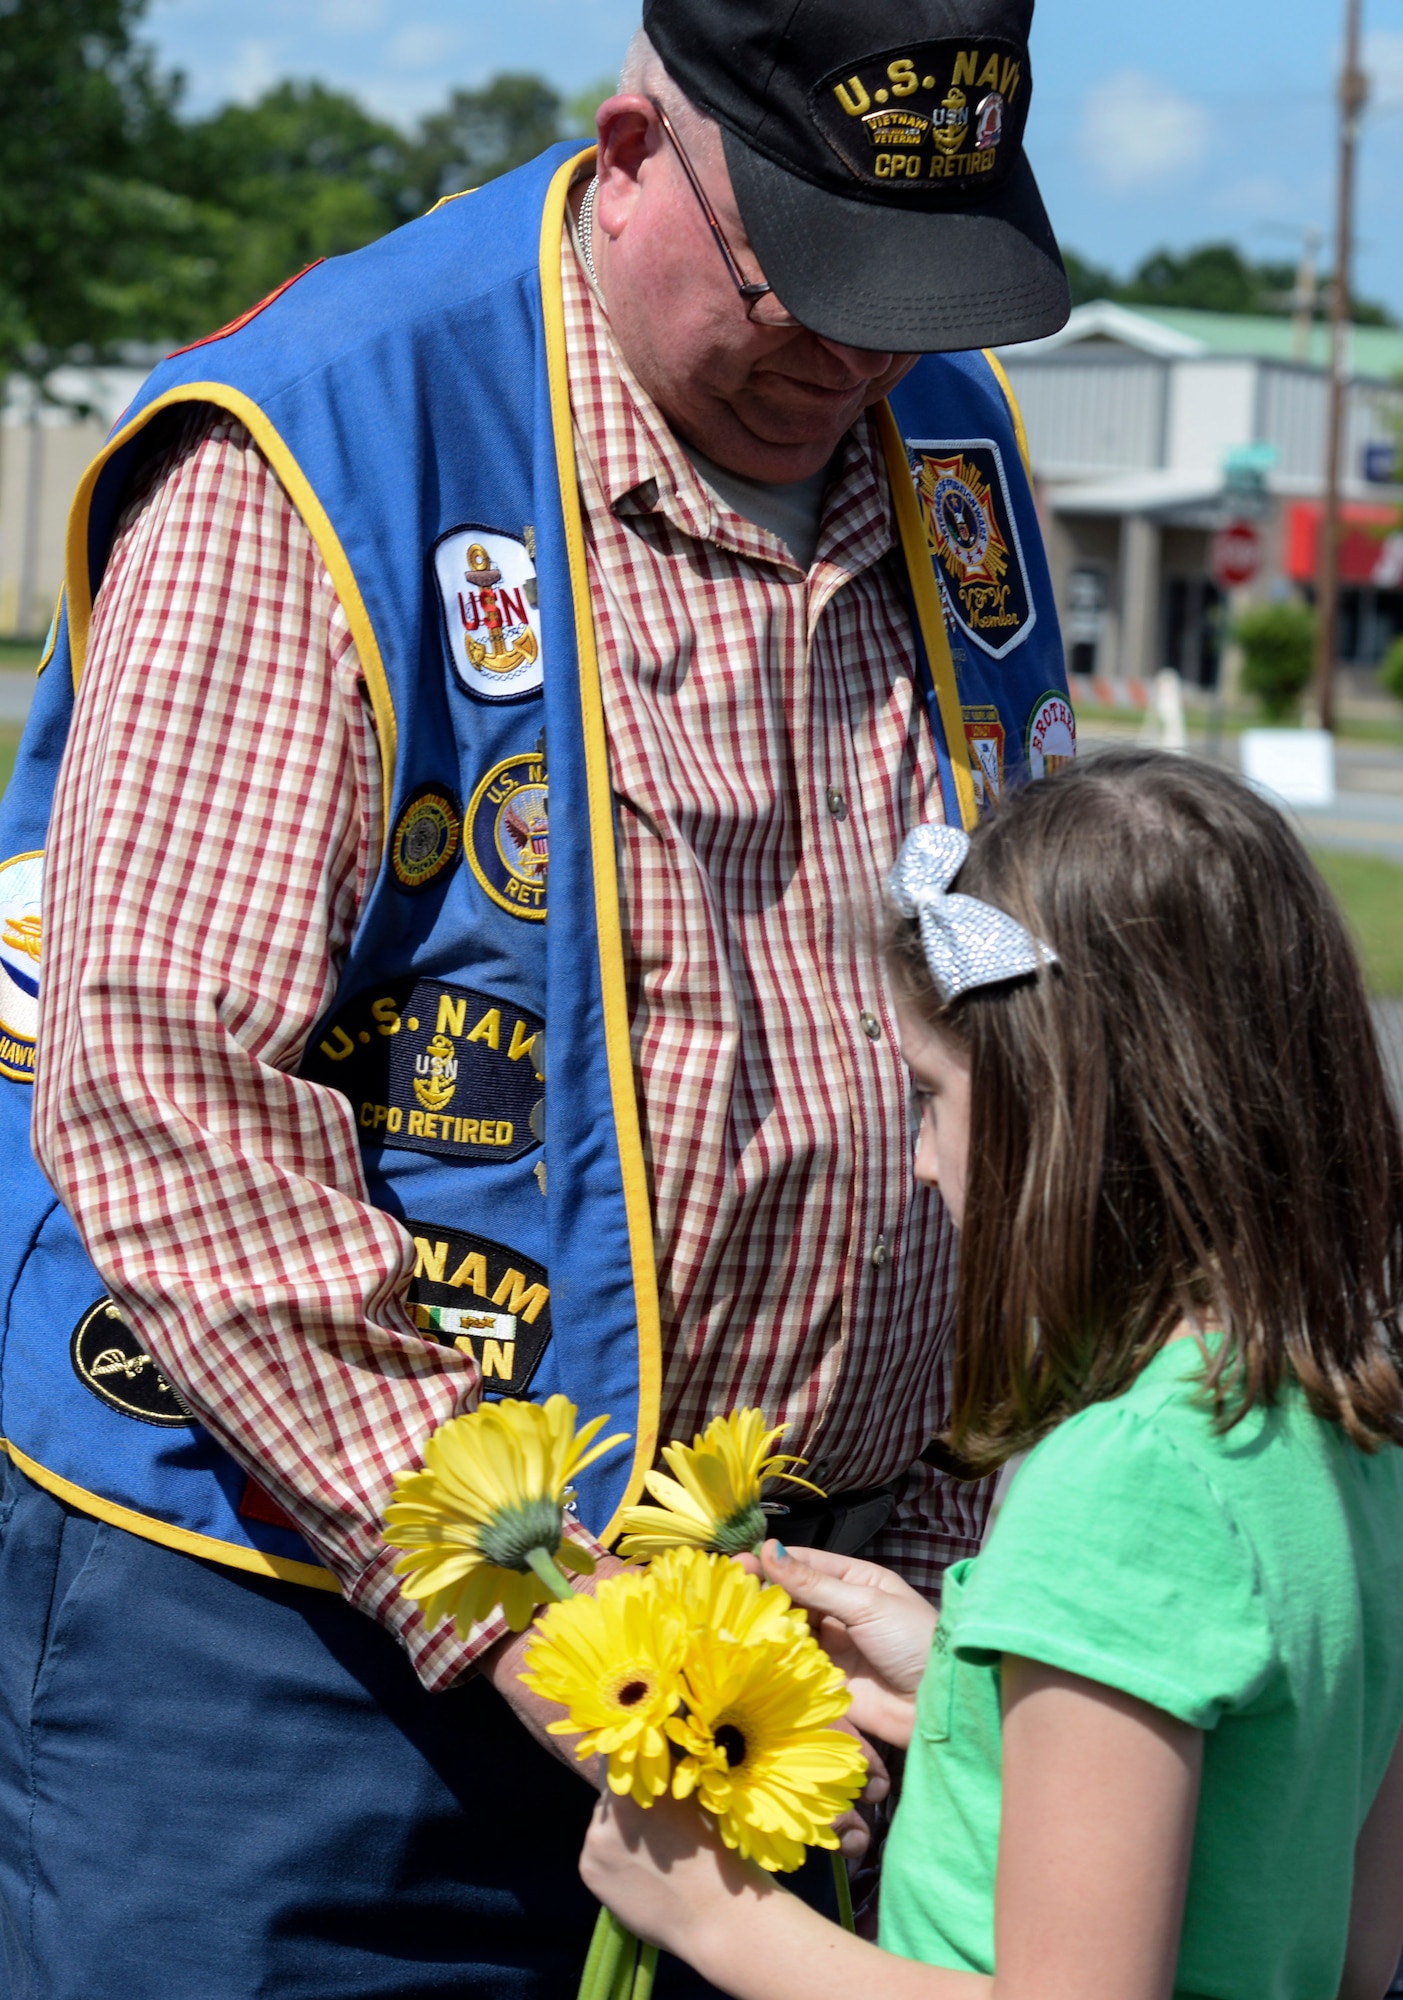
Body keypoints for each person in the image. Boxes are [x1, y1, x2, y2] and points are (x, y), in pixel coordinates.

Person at [0, 0, 1073, 1993]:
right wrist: (533, 1602)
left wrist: (950, 1519)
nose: (859, 353)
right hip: (287, 1661)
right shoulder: (330, 433)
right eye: (810, 277)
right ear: (638, 148)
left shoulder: (934, 438)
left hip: (770, 1654)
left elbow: (1004, 977)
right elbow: (159, 1084)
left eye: (915, 292)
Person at [580, 748, 1403, 2000]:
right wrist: (970, 1694)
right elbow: (1347, 1948)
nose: (922, 1163)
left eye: (932, 1096)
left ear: (1064, 1108)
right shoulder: (1351, 1447)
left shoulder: (1122, 1483)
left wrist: (720, 1919)